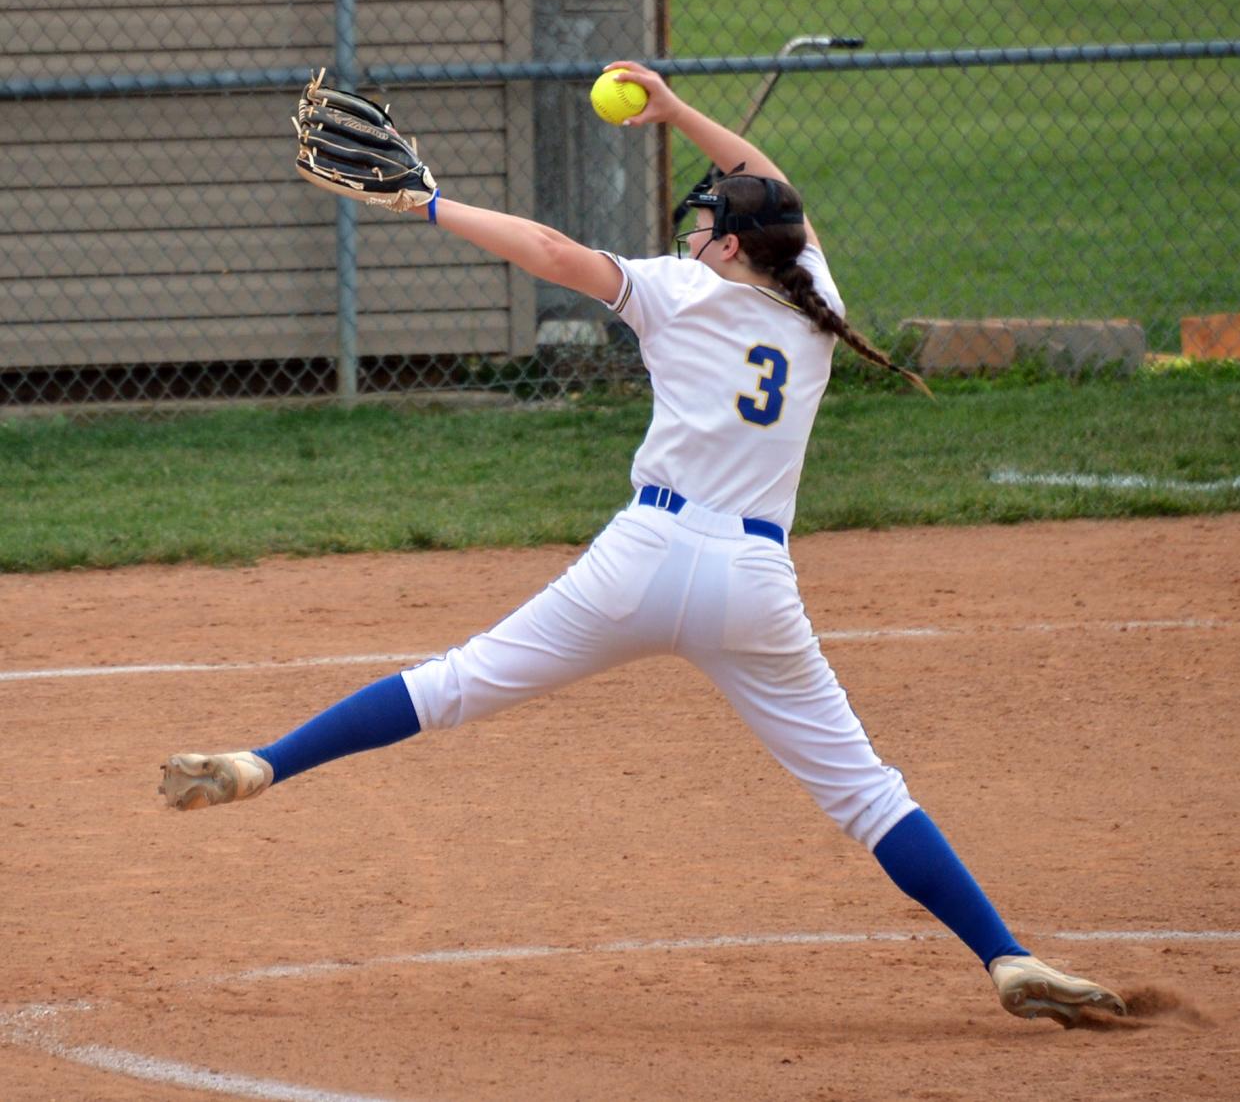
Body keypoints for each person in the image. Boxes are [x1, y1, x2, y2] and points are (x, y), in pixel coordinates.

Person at [160, 61, 1125, 1028]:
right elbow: (772, 184)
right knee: (870, 795)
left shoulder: (674, 291)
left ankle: (265, 762)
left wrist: (430, 203)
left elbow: (544, 248)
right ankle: (1004, 953)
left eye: (706, 222)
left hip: (643, 559)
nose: (691, 232)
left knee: (452, 683)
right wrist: (672, 109)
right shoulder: (813, 298)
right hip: (755, 585)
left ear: (734, 242)